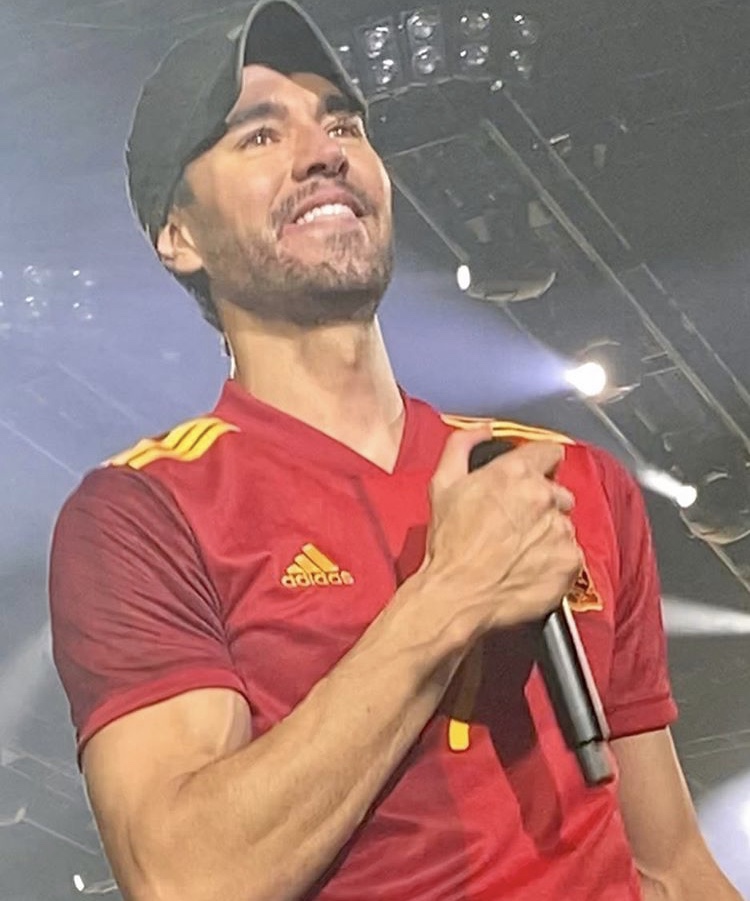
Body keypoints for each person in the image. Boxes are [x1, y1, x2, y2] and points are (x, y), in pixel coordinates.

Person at [48, 2, 741, 900]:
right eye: (259, 135)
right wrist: (451, 594)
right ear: (178, 236)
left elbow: (671, 863)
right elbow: (188, 877)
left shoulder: (563, 478)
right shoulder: (142, 514)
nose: (322, 151)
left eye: (342, 124)